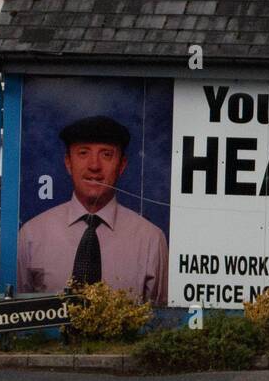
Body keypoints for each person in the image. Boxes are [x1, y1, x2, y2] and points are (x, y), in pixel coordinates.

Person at [17, 115, 168, 303]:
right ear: (68, 163)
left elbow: (161, 326)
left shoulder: (151, 240)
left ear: (121, 165)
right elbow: (19, 323)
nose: (94, 166)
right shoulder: (31, 235)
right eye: (83, 153)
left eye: (106, 154)